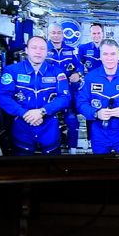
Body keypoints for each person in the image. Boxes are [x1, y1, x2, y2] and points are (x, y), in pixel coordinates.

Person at [0, 35, 70, 155]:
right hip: (22, 126)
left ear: (47, 52)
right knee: (23, 168)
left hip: (49, 127)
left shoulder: (57, 73)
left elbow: (64, 98)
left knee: (53, 165)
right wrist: (24, 113)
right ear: (27, 50)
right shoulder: (12, 71)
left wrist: (42, 111)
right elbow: (2, 96)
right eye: (34, 47)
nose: (38, 52)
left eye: (42, 48)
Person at [76, 39, 119, 154]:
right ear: (100, 56)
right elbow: (80, 103)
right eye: (105, 54)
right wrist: (96, 113)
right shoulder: (90, 78)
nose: (109, 58)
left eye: (113, 54)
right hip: (99, 134)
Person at [46, 23, 83, 152]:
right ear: (48, 34)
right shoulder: (43, 49)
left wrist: (78, 73)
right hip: (48, 91)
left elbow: (80, 65)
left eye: (58, 33)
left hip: (68, 91)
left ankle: (72, 148)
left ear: (63, 34)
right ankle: (51, 148)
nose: (56, 36)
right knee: (48, 121)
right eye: (53, 33)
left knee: (72, 120)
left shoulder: (71, 50)